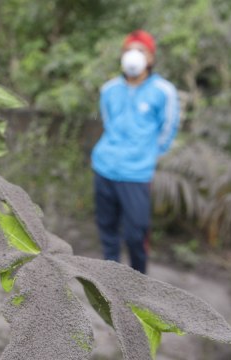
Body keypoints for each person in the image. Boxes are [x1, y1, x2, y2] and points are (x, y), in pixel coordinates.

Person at [91, 30, 179, 274]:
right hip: (104, 167)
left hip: (136, 174)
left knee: (136, 233)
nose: (133, 56)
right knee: (107, 229)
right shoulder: (109, 89)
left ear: (150, 58)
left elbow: (168, 129)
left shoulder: (164, 91)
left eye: (140, 51)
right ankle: (110, 279)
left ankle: (139, 283)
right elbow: (107, 122)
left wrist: (147, 154)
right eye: (129, 50)